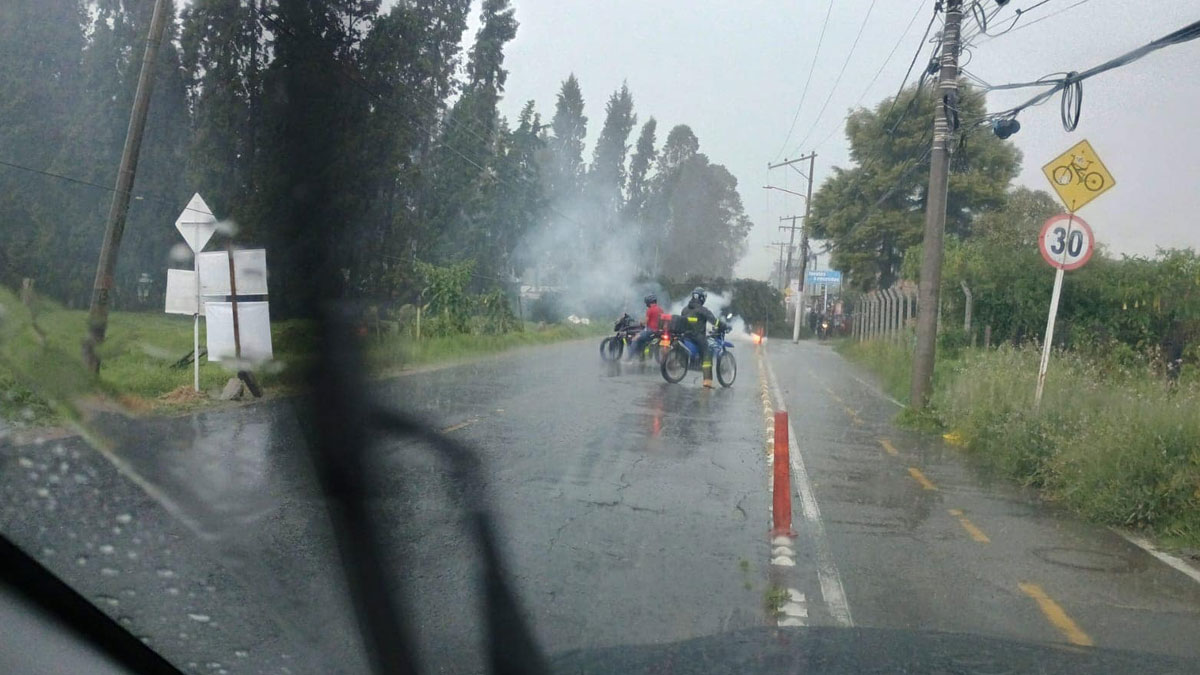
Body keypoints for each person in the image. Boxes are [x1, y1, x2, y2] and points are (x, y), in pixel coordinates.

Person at [680, 287, 722, 388]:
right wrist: (724, 326)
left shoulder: (685, 309)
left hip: (685, 335)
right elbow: (714, 321)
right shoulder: (703, 310)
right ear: (702, 298)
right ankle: (707, 381)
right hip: (697, 336)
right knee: (707, 352)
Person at [628, 293, 663, 360]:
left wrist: (640, 322)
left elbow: (646, 321)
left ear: (648, 302)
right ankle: (641, 356)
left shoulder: (650, 310)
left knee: (635, 338)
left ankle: (629, 359)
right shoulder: (660, 309)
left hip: (650, 331)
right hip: (658, 331)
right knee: (641, 340)